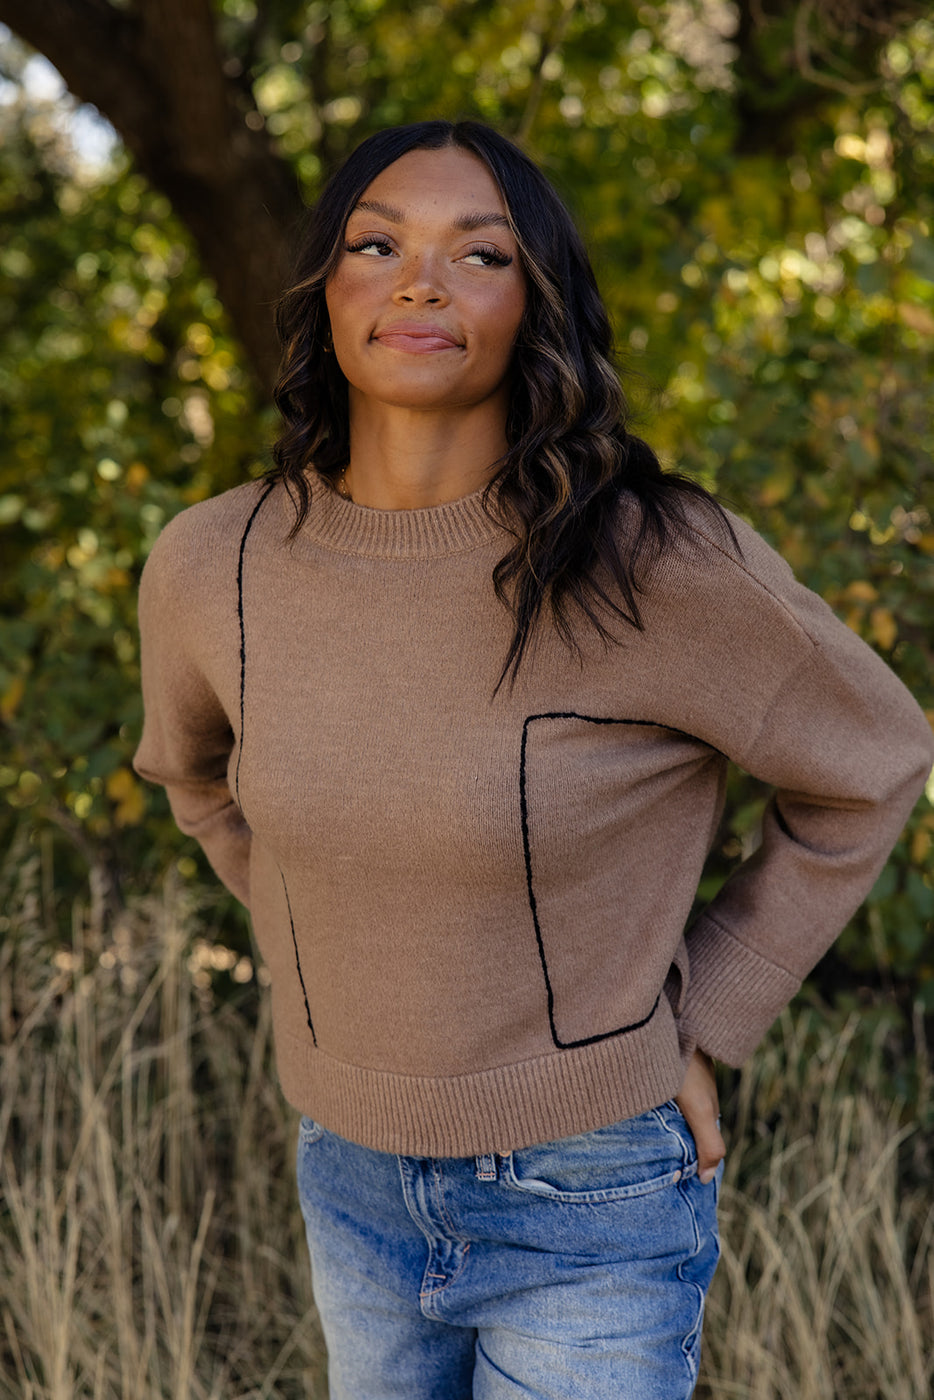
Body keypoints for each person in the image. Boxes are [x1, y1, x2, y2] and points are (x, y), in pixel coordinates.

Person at [133, 120, 933, 1400]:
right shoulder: (212, 565)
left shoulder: (650, 560)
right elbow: (196, 778)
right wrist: (338, 958)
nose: (418, 280)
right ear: (324, 293)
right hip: (347, 1170)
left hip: (593, 1187)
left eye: (481, 252)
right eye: (376, 242)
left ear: (535, 303)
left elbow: (875, 757)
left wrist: (706, 1012)